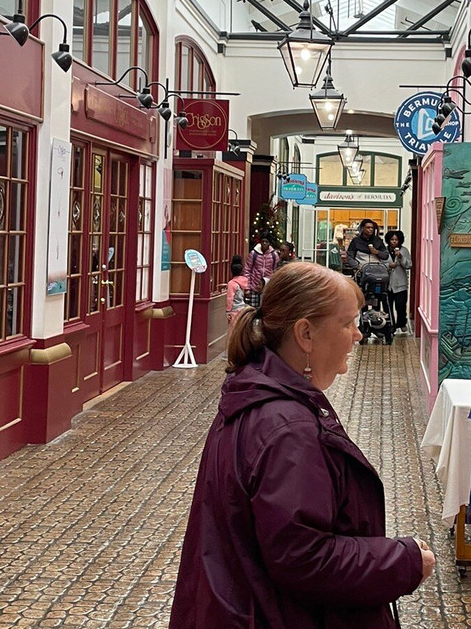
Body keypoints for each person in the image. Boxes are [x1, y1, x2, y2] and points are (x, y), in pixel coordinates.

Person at [170, 262, 436, 629]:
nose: (357, 335)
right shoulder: (288, 429)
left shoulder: (256, 391)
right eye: (346, 324)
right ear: (305, 334)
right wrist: (403, 561)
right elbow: (303, 557)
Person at [384, 230, 412, 334]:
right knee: (388, 306)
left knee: (401, 305)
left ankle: (402, 322)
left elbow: (409, 265)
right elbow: (380, 264)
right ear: (388, 240)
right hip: (388, 283)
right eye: (392, 239)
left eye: (396, 239)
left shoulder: (404, 250)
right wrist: (388, 266)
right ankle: (391, 325)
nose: (394, 241)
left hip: (400, 283)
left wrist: (400, 257)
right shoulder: (384, 250)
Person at [243, 231, 280, 307]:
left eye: (266, 242)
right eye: (263, 241)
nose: (264, 243)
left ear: (269, 243)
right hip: (254, 287)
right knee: (253, 310)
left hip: (267, 288)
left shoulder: (274, 255)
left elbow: (276, 271)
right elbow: (247, 270)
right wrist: (247, 288)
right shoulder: (254, 254)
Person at [225, 255, 251, 325]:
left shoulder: (231, 283)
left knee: (233, 330)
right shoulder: (243, 282)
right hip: (242, 308)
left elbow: (230, 298)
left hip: (234, 310)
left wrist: (228, 311)